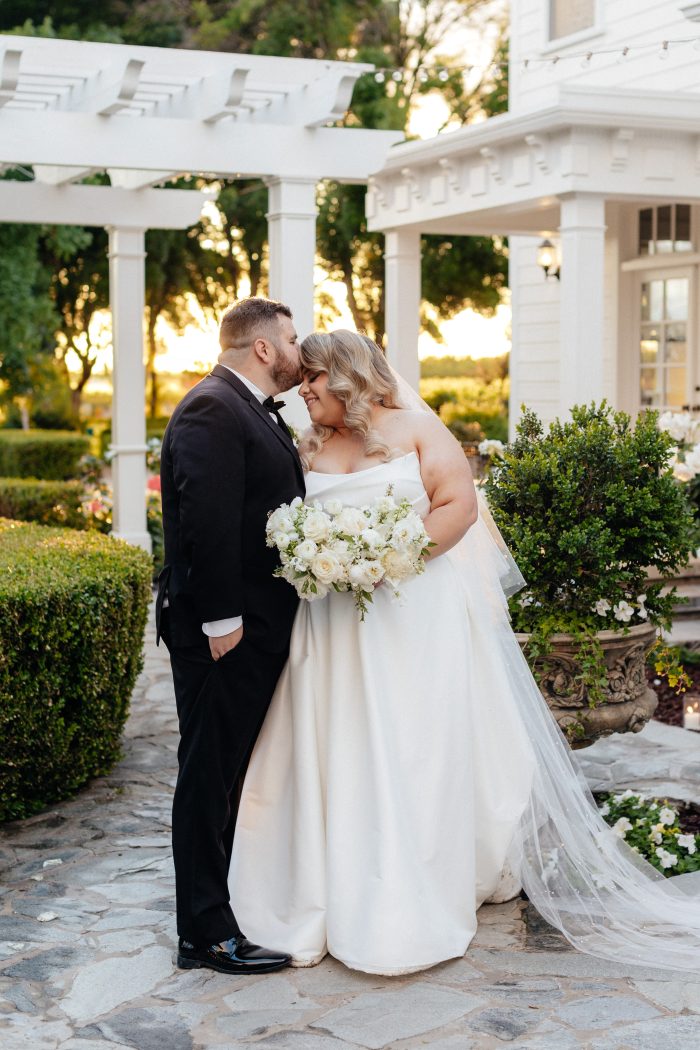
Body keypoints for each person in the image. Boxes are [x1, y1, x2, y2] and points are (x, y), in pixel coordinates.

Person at [229, 328, 700, 976]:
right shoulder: (307, 444)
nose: (302, 390)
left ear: (346, 375)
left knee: (411, 744)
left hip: (411, 616)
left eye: (312, 378)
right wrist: (321, 558)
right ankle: (325, 886)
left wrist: (386, 560)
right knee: (335, 741)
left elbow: (458, 506)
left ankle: (407, 889)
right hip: (331, 625)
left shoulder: (418, 430)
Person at [157, 297, 305, 975]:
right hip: (224, 633)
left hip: (251, 627)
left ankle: (219, 909)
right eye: (292, 339)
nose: (300, 351)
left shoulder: (250, 408)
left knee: (225, 773)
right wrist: (223, 621)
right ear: (263, 348)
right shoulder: (214, 407)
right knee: (207, 776)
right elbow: (205, 520)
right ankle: (205, 935)